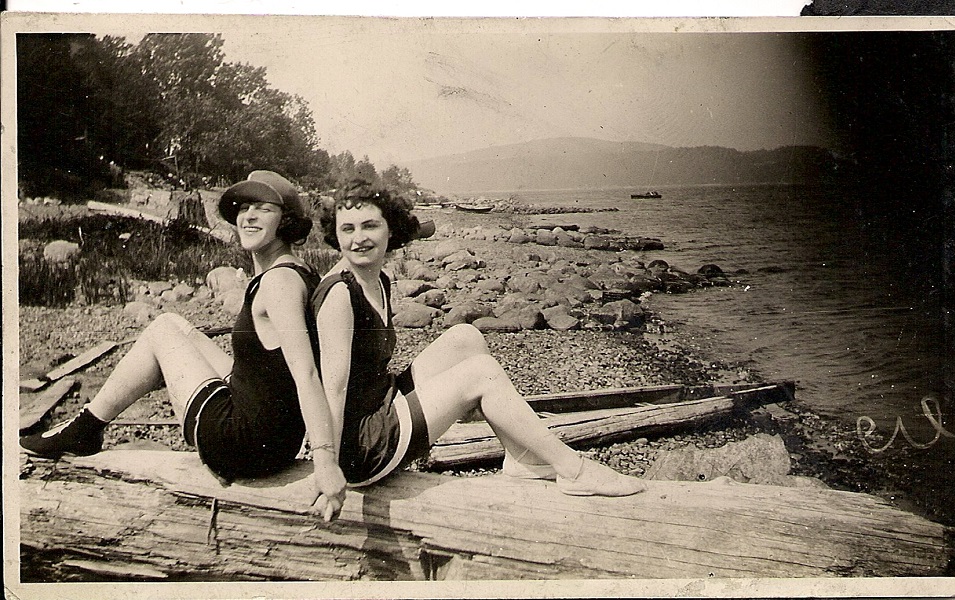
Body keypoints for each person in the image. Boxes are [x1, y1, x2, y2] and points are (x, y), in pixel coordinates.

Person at [308, 180, 645, 521]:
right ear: (335, 235)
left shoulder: (375, 277)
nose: (358, 238)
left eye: (369, 225)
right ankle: (573, 470)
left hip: (381, 404)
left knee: (466, 337)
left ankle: (522, 456)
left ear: (390, 229)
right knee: (481, 374)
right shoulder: (339, 294)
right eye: (347, 229)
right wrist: (328, 469)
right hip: (361, 448)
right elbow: (330, 391)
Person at [21, 170, 326, 485]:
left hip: (241, 446)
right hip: (273, 443)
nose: (248, 217)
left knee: (161, 332)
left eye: (263, 208)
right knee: (173, 324)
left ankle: (83, 428)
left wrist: (326, 460)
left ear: (286, 220)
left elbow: (306, 374)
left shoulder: (279, 282)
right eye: (244, 208)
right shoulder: (297, 271)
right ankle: (84, 427)